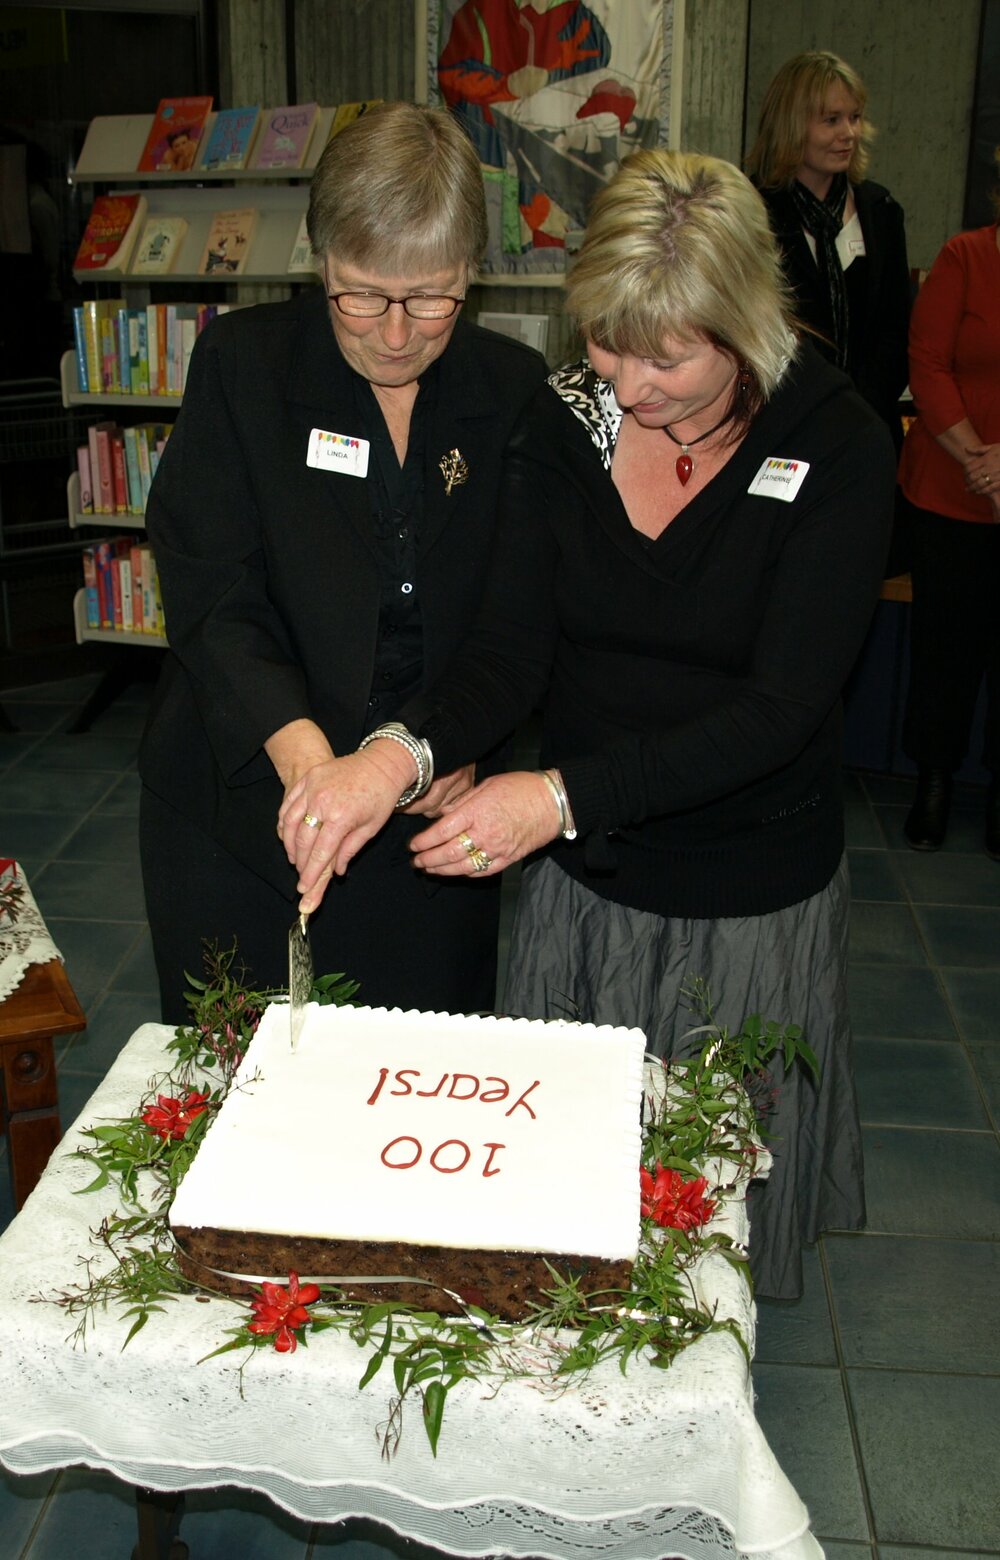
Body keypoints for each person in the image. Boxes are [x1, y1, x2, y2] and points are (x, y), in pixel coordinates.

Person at [279, 149, 896, 1300]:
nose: (632, 386)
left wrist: (557, 795)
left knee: (707, 1225)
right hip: (588, 885)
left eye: (669, 357)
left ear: (747, 321)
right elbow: (512, 650)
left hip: (745, 886)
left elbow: (780, 709)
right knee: (567, 1201)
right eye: (607, 344)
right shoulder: (566, 422)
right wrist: (397, 754)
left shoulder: (836, 443)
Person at [138, 102, 547, 1022]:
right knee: (237, 1092)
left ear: (472, 275)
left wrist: (436, 746)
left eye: (432, 297)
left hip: (424, 827)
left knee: (413, 1089)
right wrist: (308, 756)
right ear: (319, 258)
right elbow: (213, 588)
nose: (396, 333)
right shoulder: (244, 366)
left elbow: (515, 624)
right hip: (242, 814)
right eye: (362, 294)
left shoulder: (512, 394)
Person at [897, 149, 1000, 858]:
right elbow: (926, 361)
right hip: (948, 490)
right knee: (945, 651)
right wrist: (978, 456)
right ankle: (932, 781)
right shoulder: (964, 255)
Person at [745, 50, 910, 455]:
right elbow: (752, 332)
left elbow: (896, 328)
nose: (849, 133)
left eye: (855, 118)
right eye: (831, 120)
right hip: (780, 428)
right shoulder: (749, 210)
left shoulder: (880, 210)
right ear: (791, 125)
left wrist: (856, 411)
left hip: (867, 426)